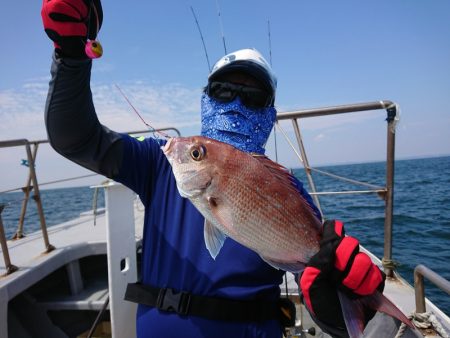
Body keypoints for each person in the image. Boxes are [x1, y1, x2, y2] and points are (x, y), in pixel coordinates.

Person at [41, 1, 385, 337]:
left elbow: (312, 279)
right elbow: (75, 139)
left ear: (269, 114)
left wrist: (332, 302)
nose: (236, 105)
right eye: (223, 91)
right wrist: (71, 56)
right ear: (206, 98)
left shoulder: (287, 189)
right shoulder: (158, 163)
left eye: (253, 98)